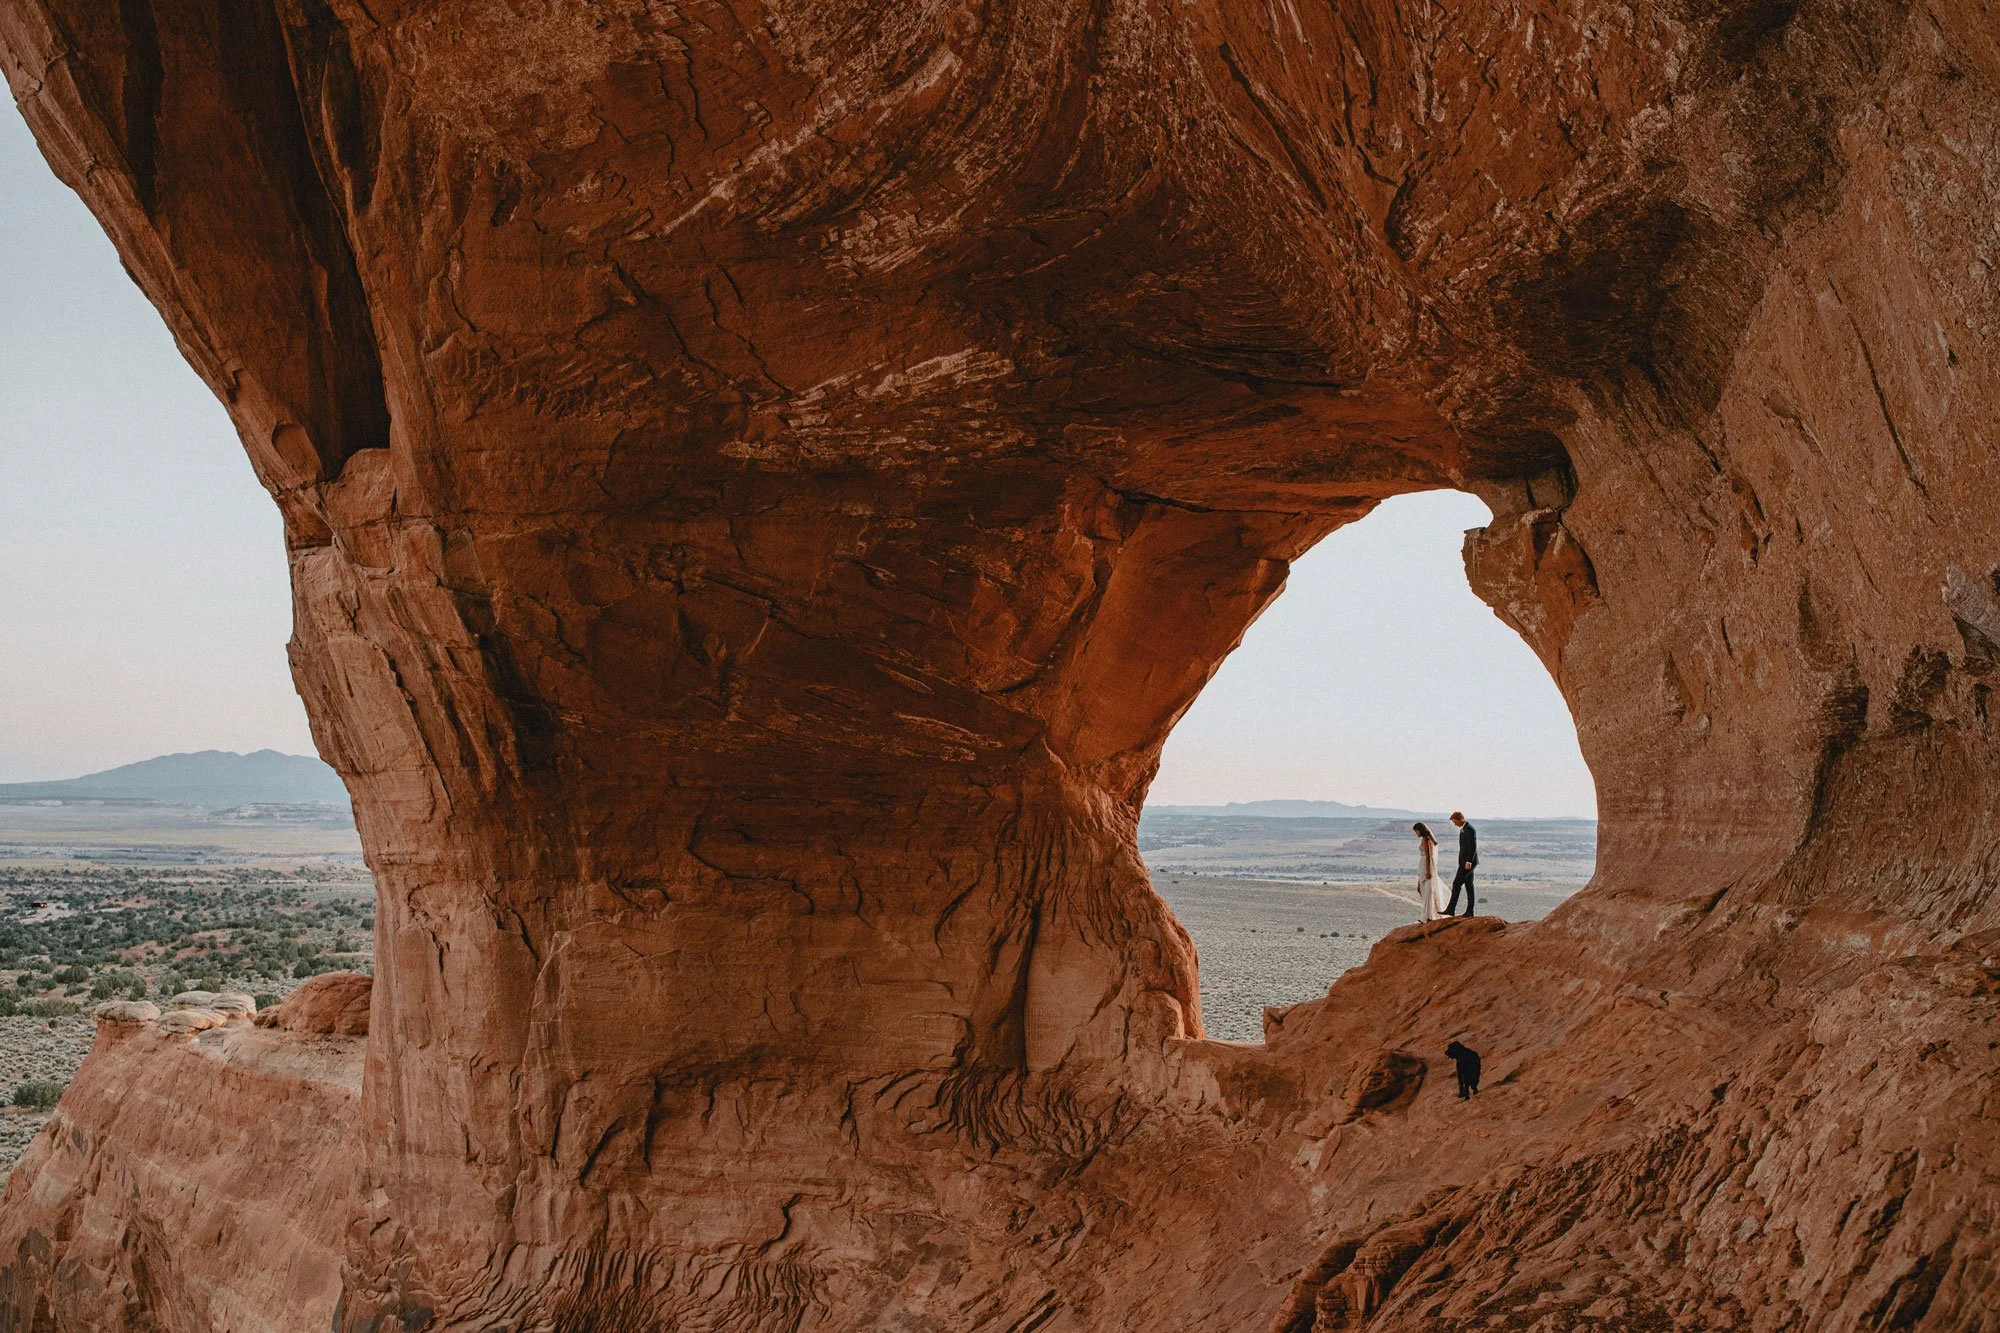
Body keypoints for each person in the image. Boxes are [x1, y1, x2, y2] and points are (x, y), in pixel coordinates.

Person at [1412, 822, 1445, 922]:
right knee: (1421, 889)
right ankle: (1428, 913)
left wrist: (1428, 870)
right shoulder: (1425, 839)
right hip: (1422, 866)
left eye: (1416, 831)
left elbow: (1428, 856)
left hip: (1426, 867)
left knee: (1427, 890)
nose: (1416, 833)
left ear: (1420, 830)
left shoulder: (1425, 839)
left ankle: (1428, 916)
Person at [1447, 811, 1477, 917]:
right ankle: (1470, 911)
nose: (1455, 824)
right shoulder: (1463, 829)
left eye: (1455, 822)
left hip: (1468, 863)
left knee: (1456, 884)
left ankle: (1451, 909)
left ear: (1461, 819)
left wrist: (1469, 861)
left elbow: (1472, 846)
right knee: (1469, 886)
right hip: (1464, 862)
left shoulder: (1469, 829)